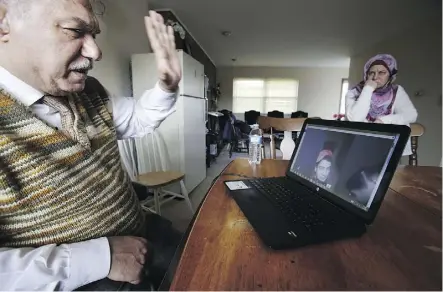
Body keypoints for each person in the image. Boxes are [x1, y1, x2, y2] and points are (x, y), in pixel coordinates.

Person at [0, 0, 183, 290]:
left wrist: (167, 87)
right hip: (85, 281)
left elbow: (136, 119)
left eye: (93, 35)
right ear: (4, 22)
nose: (95, 52)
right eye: (74, 31)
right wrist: (101, 258)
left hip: (146, 232)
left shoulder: (90, 91)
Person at [345, 54, 418, 156]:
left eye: (382, 73)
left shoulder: (396, 91)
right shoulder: (353, 92)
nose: (375, 77)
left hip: (389, 146)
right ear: (366, 74)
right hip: (360, 146)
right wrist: (368, 89)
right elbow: (356, 119)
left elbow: (411, 115)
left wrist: (384, 120)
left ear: (390, 75)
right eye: (371, 73)